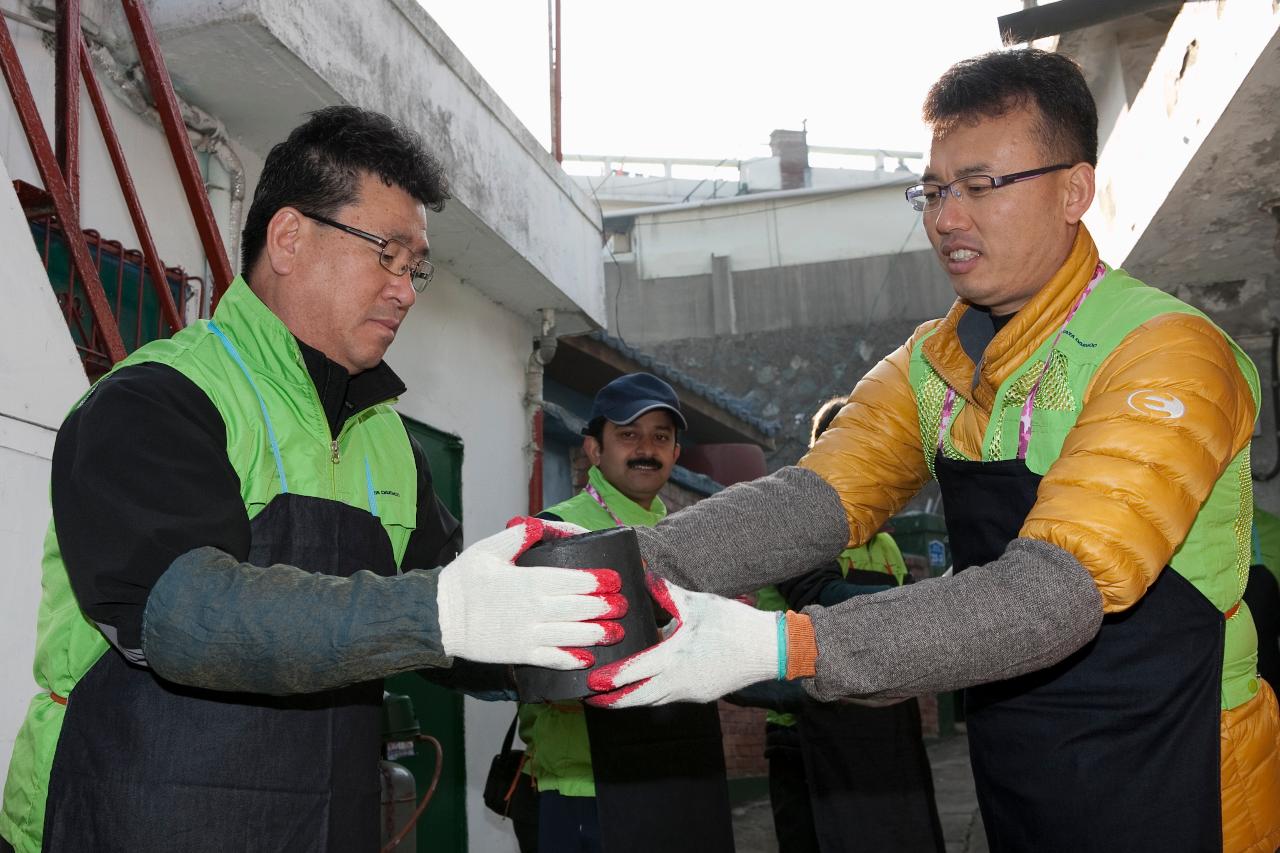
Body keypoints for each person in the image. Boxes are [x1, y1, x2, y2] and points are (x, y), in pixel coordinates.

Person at [583, 49, 1280, 852]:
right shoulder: (933, 362)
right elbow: (818, 498)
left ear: (1075, 191)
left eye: (982, 185)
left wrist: (784, 646)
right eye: (935, 189)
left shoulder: (1167, 352)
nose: (948, 217)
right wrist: (623, 563)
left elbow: (1052, 593)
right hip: (1021, 766)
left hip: (1183, 772)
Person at [0, 107, 623, 853]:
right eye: (387, 254)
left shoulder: (389, 444)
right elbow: (188, 615)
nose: (406, 289)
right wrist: (445, 611)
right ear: (289, 237)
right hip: (126, 817)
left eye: (415, 266)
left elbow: (457, 625)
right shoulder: (155, 398)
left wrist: (589, 638)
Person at [517, 372, 734, 853]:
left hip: (683, 770)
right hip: (587, 782)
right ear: (594, 449)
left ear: (676, 454)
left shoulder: (691, 535)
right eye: (628, 435)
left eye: (661, 437)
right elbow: (541, 664)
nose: (646, 449)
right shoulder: (555, 531)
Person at [756, 396, 944, 853]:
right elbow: (828, 602)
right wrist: (931, 601)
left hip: (885, 732)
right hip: (805, 733)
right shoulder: (791, 532)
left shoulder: (887, 547)